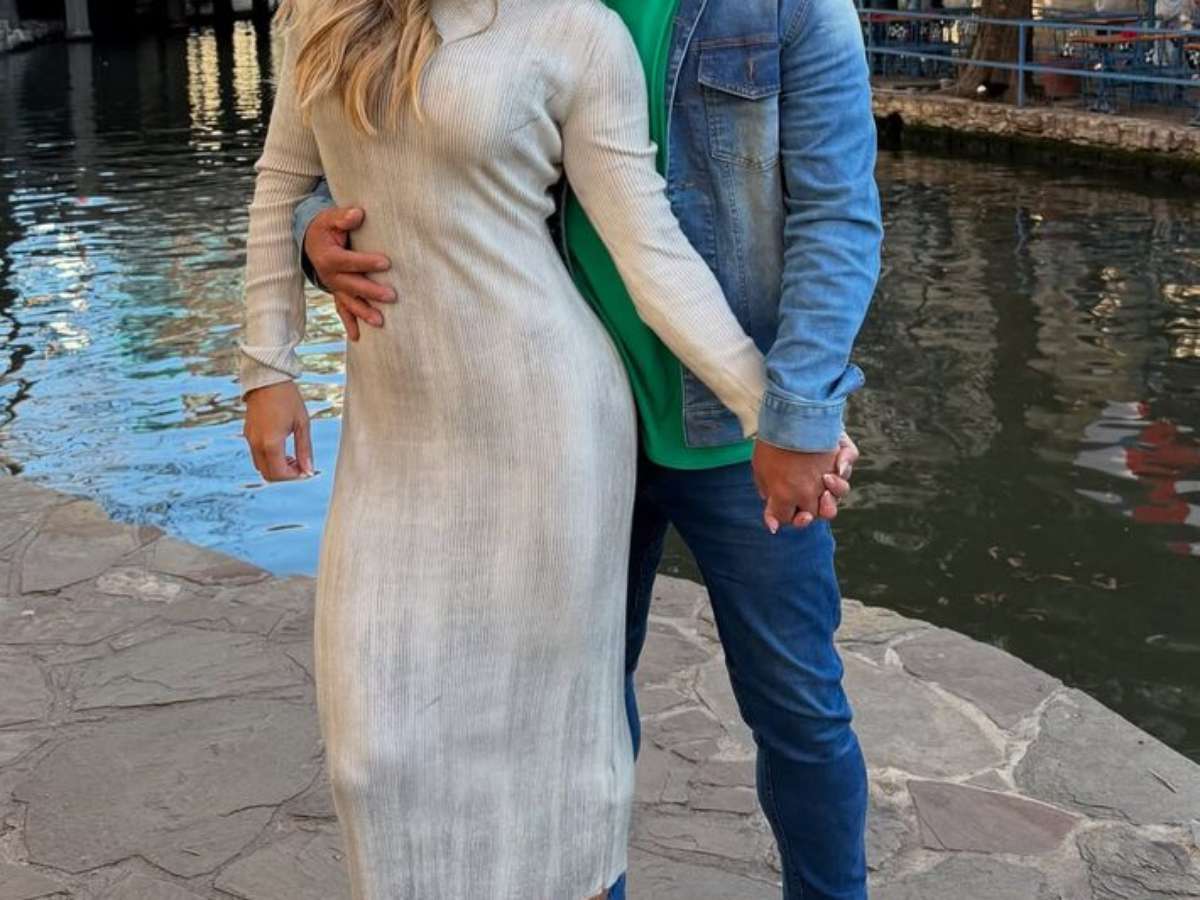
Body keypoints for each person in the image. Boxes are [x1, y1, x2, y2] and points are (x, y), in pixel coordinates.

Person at [234, 0, 849, 896]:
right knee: (373, 756)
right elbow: (287, 181)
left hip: (558, 424)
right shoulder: (319, 14)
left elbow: (662, 244)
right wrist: (267, 360)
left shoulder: (578, 29)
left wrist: (787, 414)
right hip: (397, 430)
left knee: (577, 734)